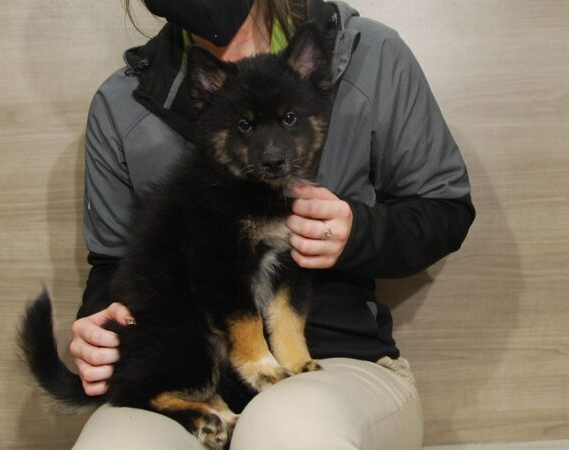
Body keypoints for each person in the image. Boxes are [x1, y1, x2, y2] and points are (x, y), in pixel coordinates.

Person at [69, 0, 475, 448]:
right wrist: (96, 323)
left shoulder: (368, 52)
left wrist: (357, 233)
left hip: (337, 359)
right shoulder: (120, 100)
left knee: (289, 432)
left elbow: (446, 209)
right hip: (186, 358)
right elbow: (112, 262)